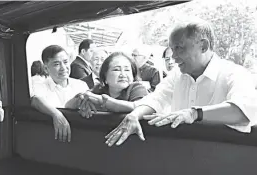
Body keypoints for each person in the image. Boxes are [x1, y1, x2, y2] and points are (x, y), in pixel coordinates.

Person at [105, 20, 257, 147]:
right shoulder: (176, 75)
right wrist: (134, 115)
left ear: (203, 46)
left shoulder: (235, 74)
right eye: (172, 49)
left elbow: (243, 112)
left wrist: (194, 113)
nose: (173, 57)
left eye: (179, 48)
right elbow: (156, 99)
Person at [31, 45, 89, 142]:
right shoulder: (40, 86)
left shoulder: (81, 86)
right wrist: (56, 114)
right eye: (56, 64)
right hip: (51, 138)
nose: (63, 68)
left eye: (66, 62)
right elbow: (35, 100)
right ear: (46, 68)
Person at [77, 52, 149, 118]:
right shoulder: (99, 89)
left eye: (127, 70)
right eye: (116, 70)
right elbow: (71, 104)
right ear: (105, 76)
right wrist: (81, 99)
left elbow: (140, 107)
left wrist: (102, 101)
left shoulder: (137, 88)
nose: (123, 75)